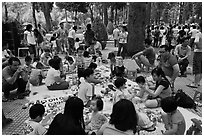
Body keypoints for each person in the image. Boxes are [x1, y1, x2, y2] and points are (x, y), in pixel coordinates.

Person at [187, 23, 202, 88]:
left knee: (197, 68)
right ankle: (198, 82)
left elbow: (196, 42)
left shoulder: (199, 34)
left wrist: (199, 47)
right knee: (201, 68)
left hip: (198, 52)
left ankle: (195, 83)